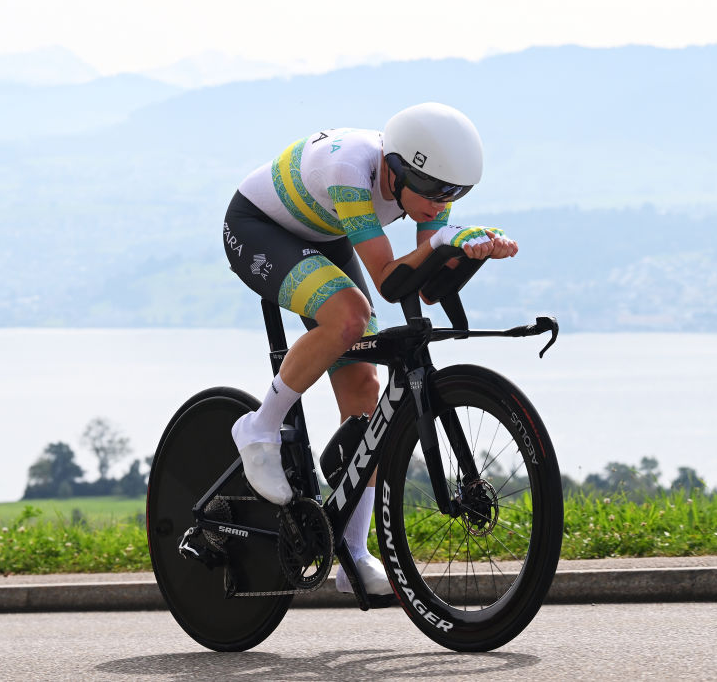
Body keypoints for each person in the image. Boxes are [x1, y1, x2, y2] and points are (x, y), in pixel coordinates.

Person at [222, 102, 518, 595]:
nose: (439, 202)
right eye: (432, 192)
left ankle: (354, 554)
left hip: (327, 233)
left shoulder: (430, 181)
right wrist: (442, 243)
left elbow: (422, 287)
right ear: (398, 168)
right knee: (351, 317)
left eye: (454, 195)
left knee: (365, 389)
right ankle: (259, 427)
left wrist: (467, 252)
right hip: (260, 228)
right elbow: (387, 280)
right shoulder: (350, 171)